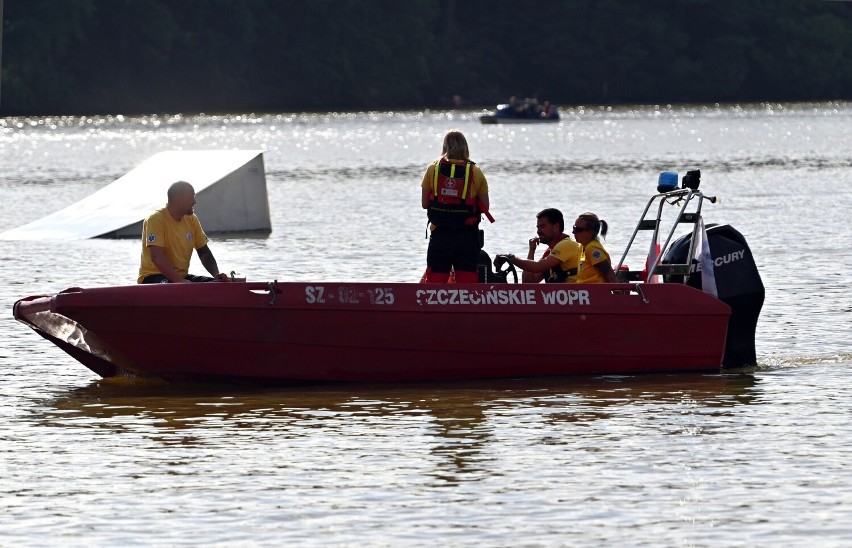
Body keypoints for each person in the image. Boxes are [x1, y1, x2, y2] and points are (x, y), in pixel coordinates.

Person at [421, 131, 490, 283]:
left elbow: (425, 204)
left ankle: (433, 306)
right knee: (467, 284)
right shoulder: (475, 171)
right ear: (465, 147)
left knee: (435, 283)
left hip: (440, 235)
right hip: (467, 236)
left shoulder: (432, 169)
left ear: (444, 146)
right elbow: (485, 206)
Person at [137, 181, 231, 284]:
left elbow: (203, 252)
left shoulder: (192, 219)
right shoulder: (155, 219)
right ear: (178, 200)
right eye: (191, 197)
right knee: (178, 287)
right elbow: (157, 257)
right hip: (152, 277)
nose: (195, 201)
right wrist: (178, 280)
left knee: (220, 284)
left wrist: (216, 275)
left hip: (181, 278)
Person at [494, 208, 580, 283]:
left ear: (556, 226)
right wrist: (531, 250)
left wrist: (510, 257)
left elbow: (538, 266)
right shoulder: (550, 252)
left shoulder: (567, 244)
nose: (538, 231)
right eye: (537, 227)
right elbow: (528, 283)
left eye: (542, 226)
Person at [572, 211, 618, 283]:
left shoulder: (592, 249)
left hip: (595, 292)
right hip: (583, 292)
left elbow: (610, 275)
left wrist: (617, 293)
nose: (573, 232)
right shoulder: (581, 247)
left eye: (578, 230)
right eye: (574, 227)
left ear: (590, 233)